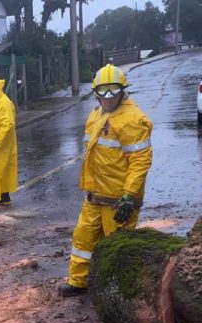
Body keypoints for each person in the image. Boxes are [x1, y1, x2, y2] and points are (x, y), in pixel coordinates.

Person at [60, 64, 154, 297]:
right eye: (103, 91)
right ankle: (78, 282)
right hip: (95, 195)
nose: (108, 97)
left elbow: (140, 161)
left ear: (123, 90)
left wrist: (129, 196)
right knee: (83, 239)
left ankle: (118, 291)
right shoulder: (96, 115)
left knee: (117, 247)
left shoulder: (133, 119)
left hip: (119, 200)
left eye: (113, 91)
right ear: (95, 92)